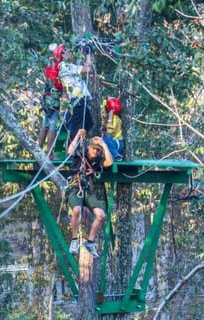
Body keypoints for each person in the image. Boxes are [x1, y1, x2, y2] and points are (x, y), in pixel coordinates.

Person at [66, 129, 113, 258]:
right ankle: (74, 241)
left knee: (101, 215)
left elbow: (109, 162)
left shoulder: (98, 161)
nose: (96, 152)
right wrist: (77, 135)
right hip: (74, 187)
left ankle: (90, 242)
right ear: (88, 148)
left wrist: (103, 145)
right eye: (94, 149)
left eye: (98, 150)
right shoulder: (80, 155)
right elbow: (70, 151)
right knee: (76, 210)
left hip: (87, 189)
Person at [56, 44, 94, 144]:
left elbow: (64, 92)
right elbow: (88, 69)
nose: (71, 53)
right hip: (78, 102)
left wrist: (63, 108)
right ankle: (75, 151)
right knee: (78, 128)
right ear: (63, 55)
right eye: (67, 52)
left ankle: (75, 147)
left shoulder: (63, 68)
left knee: (88, 123)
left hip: (76, 102)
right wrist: (89, 54)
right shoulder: (67, 66)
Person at [102, 97, 124, 161]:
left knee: (104, 139)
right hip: (114, 142)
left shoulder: (115, 118)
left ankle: (116, 155)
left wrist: (110, 117)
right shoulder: (112, 117)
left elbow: (110, 132)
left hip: (117, 142)